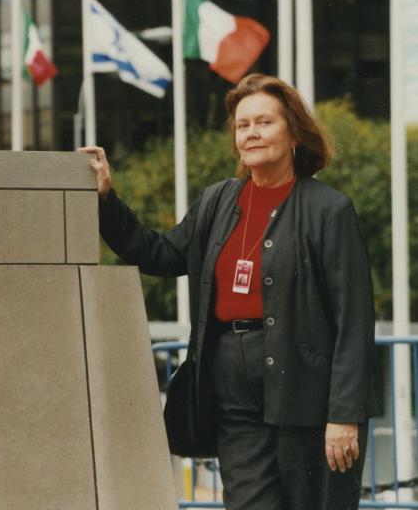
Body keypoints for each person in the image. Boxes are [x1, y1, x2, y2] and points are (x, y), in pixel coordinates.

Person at [80, 73, 377, 510]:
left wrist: (344, 415)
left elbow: (354, 319)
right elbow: (159, 254)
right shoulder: (216, 202)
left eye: (264, 122)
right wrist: (107, 199)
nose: (251, 133)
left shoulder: (328, 211)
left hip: (309, 399)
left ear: (293, 131)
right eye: (243, 125)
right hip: (232, 393)